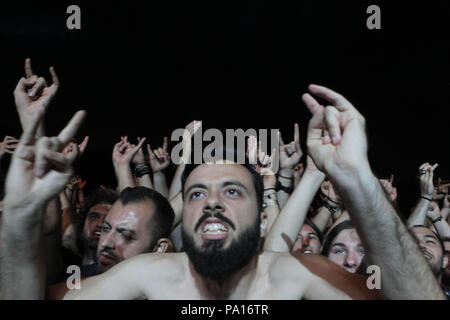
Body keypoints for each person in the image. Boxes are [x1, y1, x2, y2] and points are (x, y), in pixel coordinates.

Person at [2, 84, 445, 300]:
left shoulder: (297, 277)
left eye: (233, 190)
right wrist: (19, 218)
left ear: (261, 214)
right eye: (195, 194)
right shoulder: (150, 276)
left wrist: (359, 180)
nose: (211, 200)